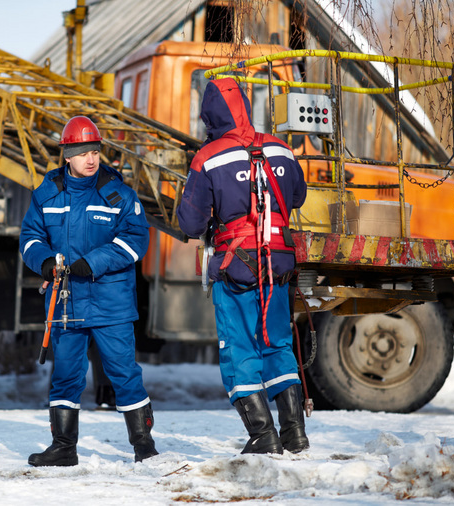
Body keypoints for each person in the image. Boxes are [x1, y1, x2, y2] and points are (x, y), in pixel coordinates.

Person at [177, 77, 309, 455]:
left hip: (237, 266)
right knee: (278, 343)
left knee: (239, 349)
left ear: (210, 115)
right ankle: (294, 434)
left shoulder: (209, 157)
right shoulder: (281, 148)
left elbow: (191, 224)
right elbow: (297, 196)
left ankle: (263, 436)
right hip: (279, 262)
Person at [19, 115, 158, 466]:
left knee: (124, 374)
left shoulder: (119, 194)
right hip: (66, 303)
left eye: (95, 151)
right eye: (83, 152)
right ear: (67, 155)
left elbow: (135, 240)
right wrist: (45, 261)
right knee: (65, 375)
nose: (91, 159)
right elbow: (30, 237)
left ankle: (145, 448)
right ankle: (64, 447)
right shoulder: (46, 193)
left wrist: (93, 262)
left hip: (110, 301)